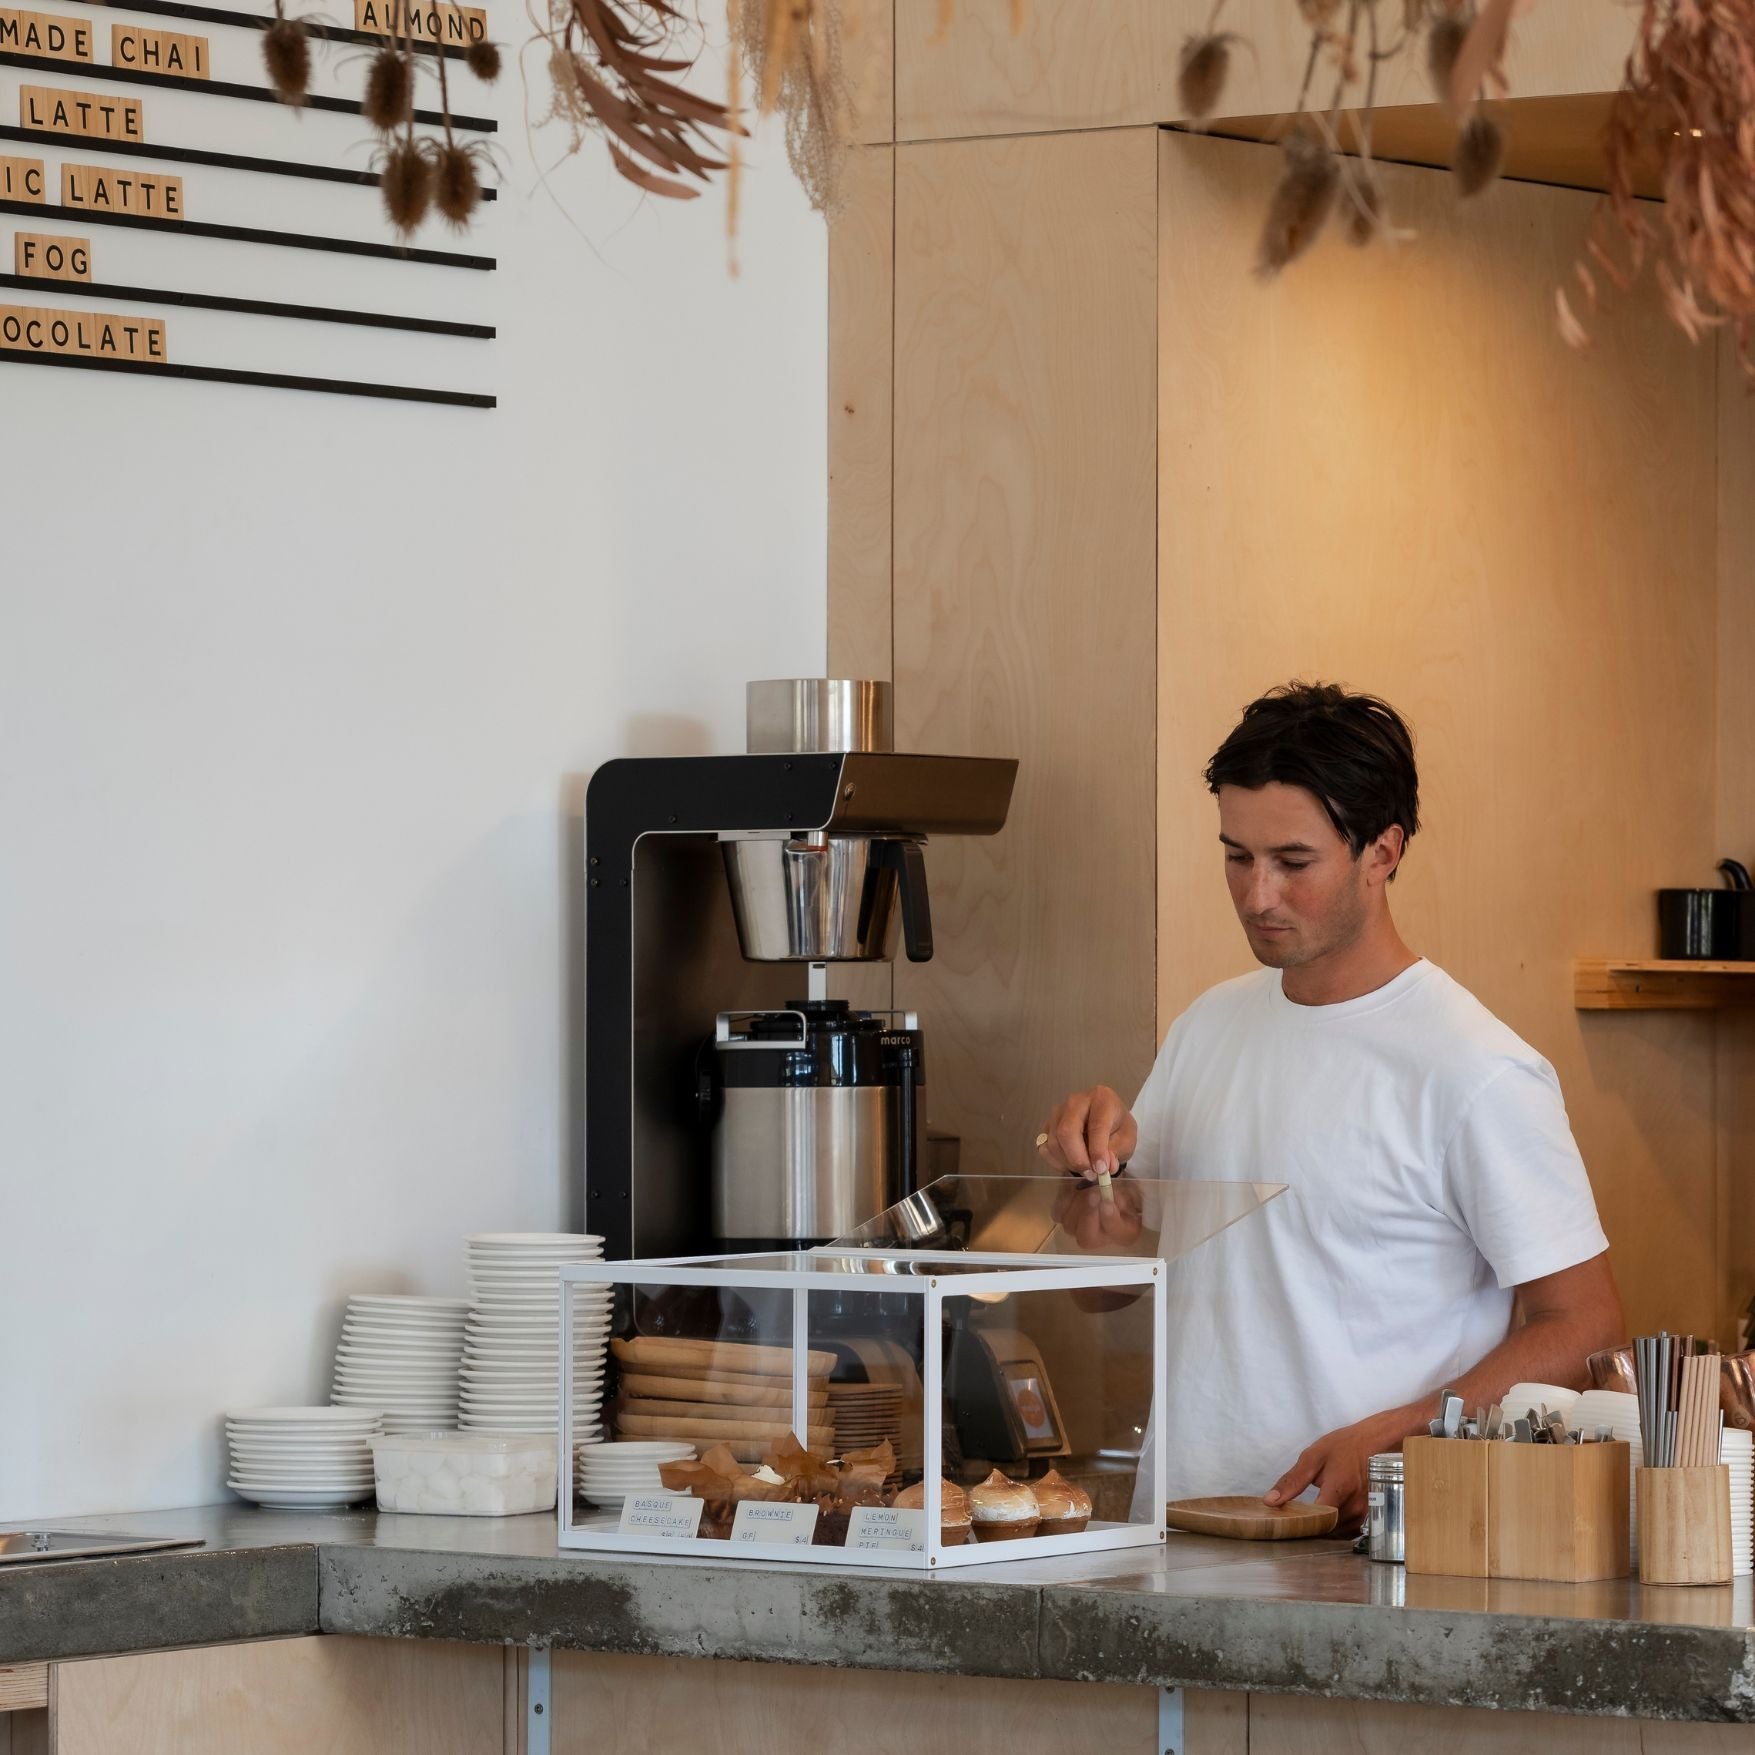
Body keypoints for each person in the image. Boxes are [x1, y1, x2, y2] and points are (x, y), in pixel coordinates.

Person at [1039, 682, 1623, 1529]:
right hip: (1179, 1529)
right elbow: (1108, 1287)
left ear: (1381, 851)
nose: (1256, 894)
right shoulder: (1209, 1025)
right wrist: (1089, 1180)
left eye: (1292, 861)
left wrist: (1402, 1431)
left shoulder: (1476, 1067)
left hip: (1366, 1545)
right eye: (1236, 855)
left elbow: (1584, 1324)